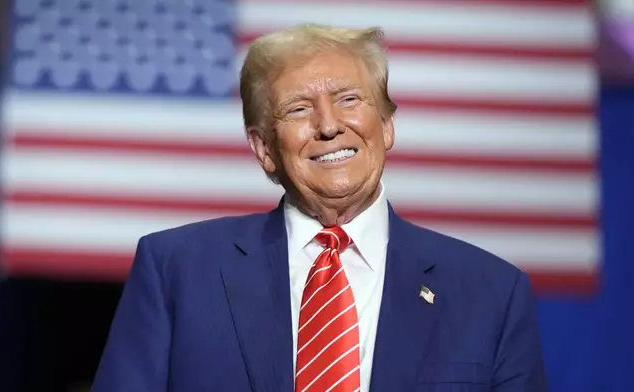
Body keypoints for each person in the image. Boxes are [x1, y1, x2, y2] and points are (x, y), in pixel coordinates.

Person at [91, 24, 547, 392]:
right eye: (298, 109)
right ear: (264, 148)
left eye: (349, 99)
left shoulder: (491, 293)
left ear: (385, 125)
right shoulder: (177, 271)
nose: (329, 126)